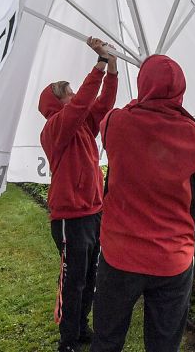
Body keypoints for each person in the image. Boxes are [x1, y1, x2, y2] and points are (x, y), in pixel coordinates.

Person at [92, 55, 195, 352]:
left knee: (106, 340)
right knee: (164, 345)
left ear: (142, 85)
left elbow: (109, 118)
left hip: (119, 256)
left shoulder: (116, 122)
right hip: (172, 259)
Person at [38, 37, 119, 352]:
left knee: (89, 277)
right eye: (68, 93)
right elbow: (87, 100)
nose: (75, 95)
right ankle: (67, 341)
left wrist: (111, 67)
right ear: (57, 103)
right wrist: (98, 63)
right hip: (69, 218)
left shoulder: (84, 126)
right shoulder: (56, 128)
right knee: (73, 283)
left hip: (92, 213)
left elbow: (102, 103)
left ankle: (81, 328)